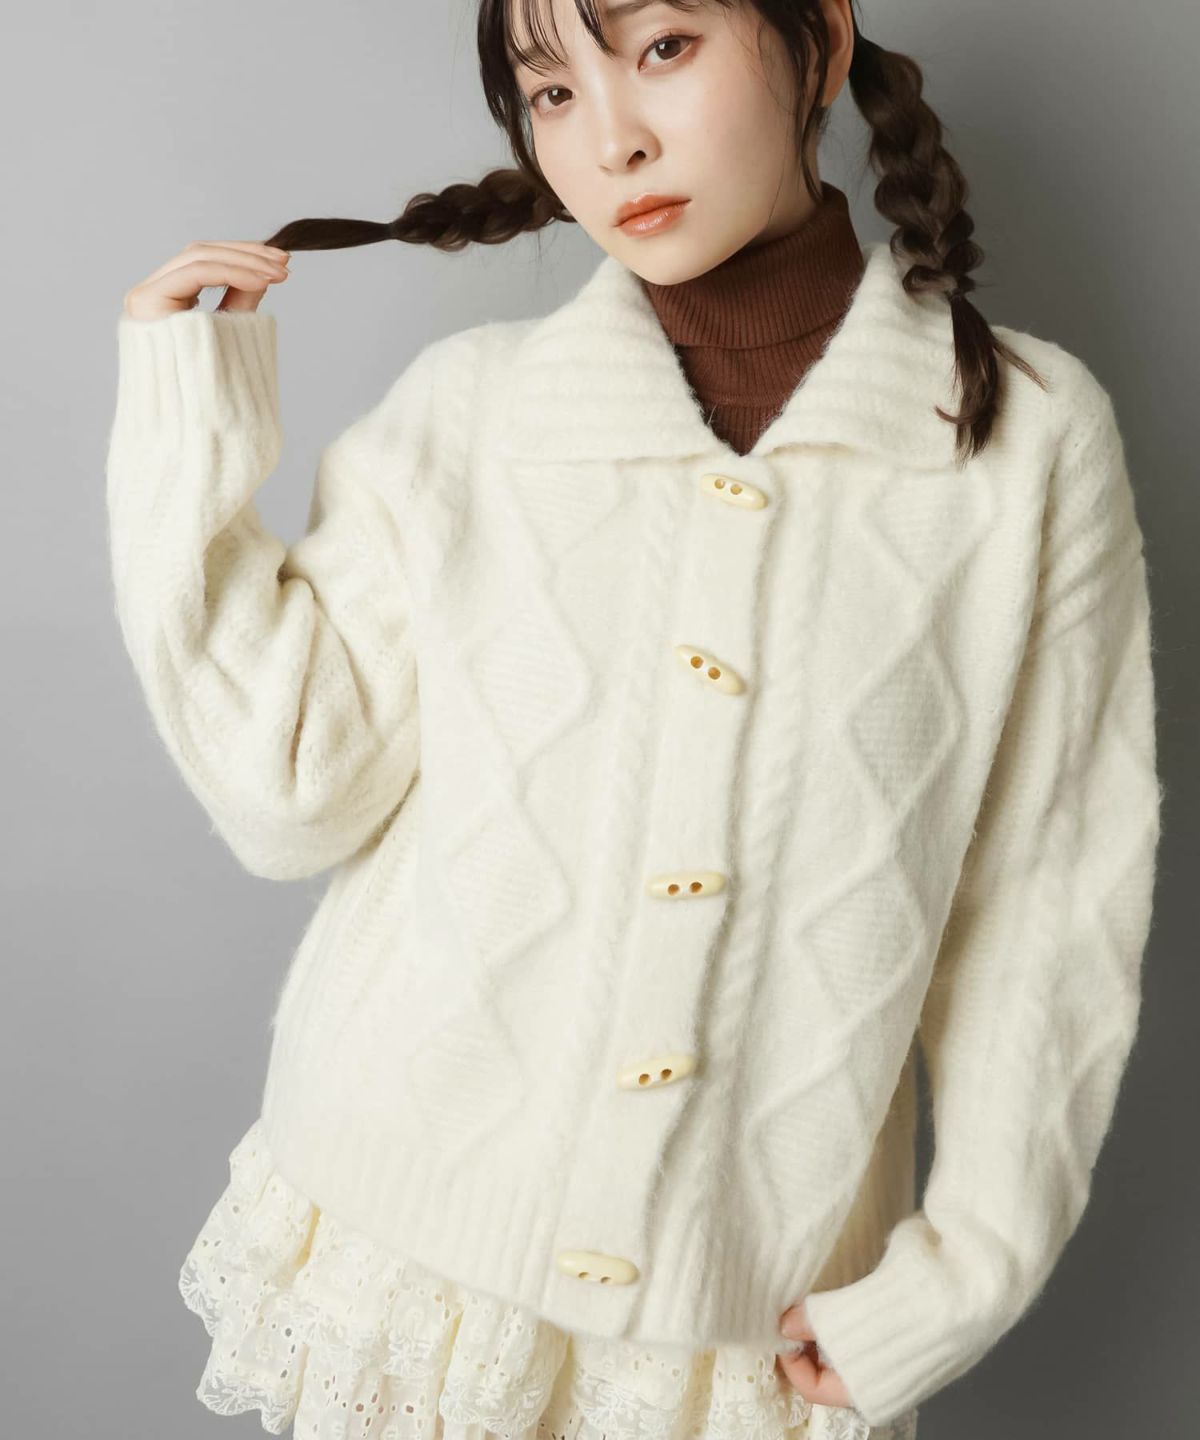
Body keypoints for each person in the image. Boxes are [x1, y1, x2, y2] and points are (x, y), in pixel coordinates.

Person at [105, 1, 1162, 1436]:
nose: (611, 141)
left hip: (744, 1327)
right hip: (410, 1275)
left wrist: (967, 1271)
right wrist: (186, 428)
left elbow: (1051, 901)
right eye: (551, 92)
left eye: (663, 49)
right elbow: (289, 789)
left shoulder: (1024, 439)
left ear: (820, 41)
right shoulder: (469, 415)